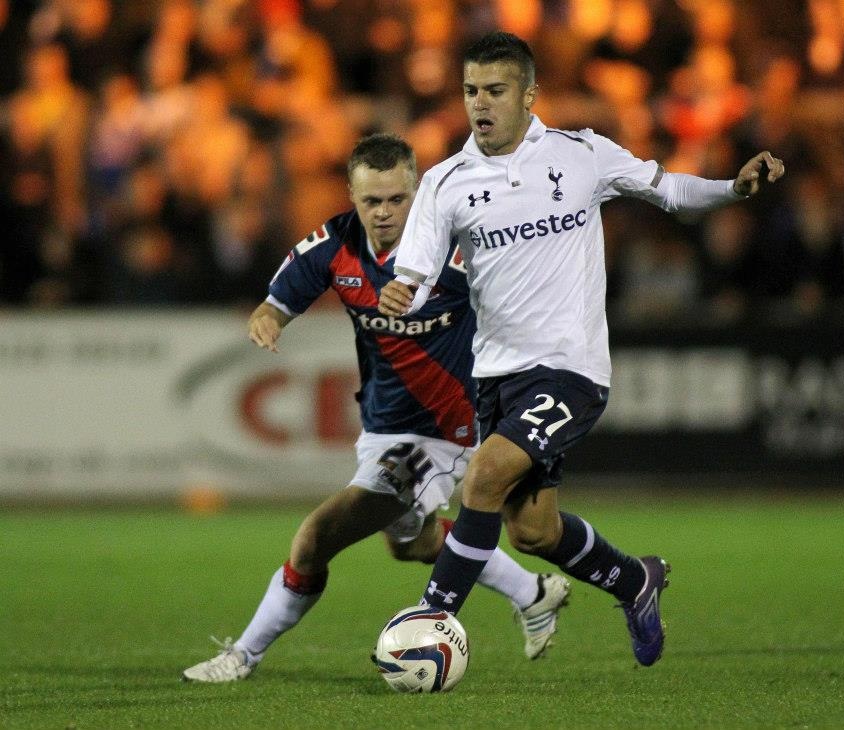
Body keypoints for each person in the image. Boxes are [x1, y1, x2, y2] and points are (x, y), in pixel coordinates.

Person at [378, 32, 785, 667]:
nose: (479, 104)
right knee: (533, 530)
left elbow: (668, 191)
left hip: (572, 370)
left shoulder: (581, 154)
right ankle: (635, 582)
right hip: (498, 375)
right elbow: (418, 274)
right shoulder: (444, 183)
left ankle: (433, 620)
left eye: (494, 90)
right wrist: (401, 294)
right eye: (469, 91)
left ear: (529, 95)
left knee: (482, 476)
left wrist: (730, 189)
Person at [182, 134, 570, 683]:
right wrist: (267, 319)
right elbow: (275, 303)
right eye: (371, 201)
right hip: (384, 425)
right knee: (415, 543)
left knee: (317, 535)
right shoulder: (334, 245)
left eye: (397, 199)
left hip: (451, 432)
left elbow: (530, 303)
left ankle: (242, 656)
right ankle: (533, 592)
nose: (384, 213)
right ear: (352, 197)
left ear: (420, 191)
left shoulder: (460, 249)